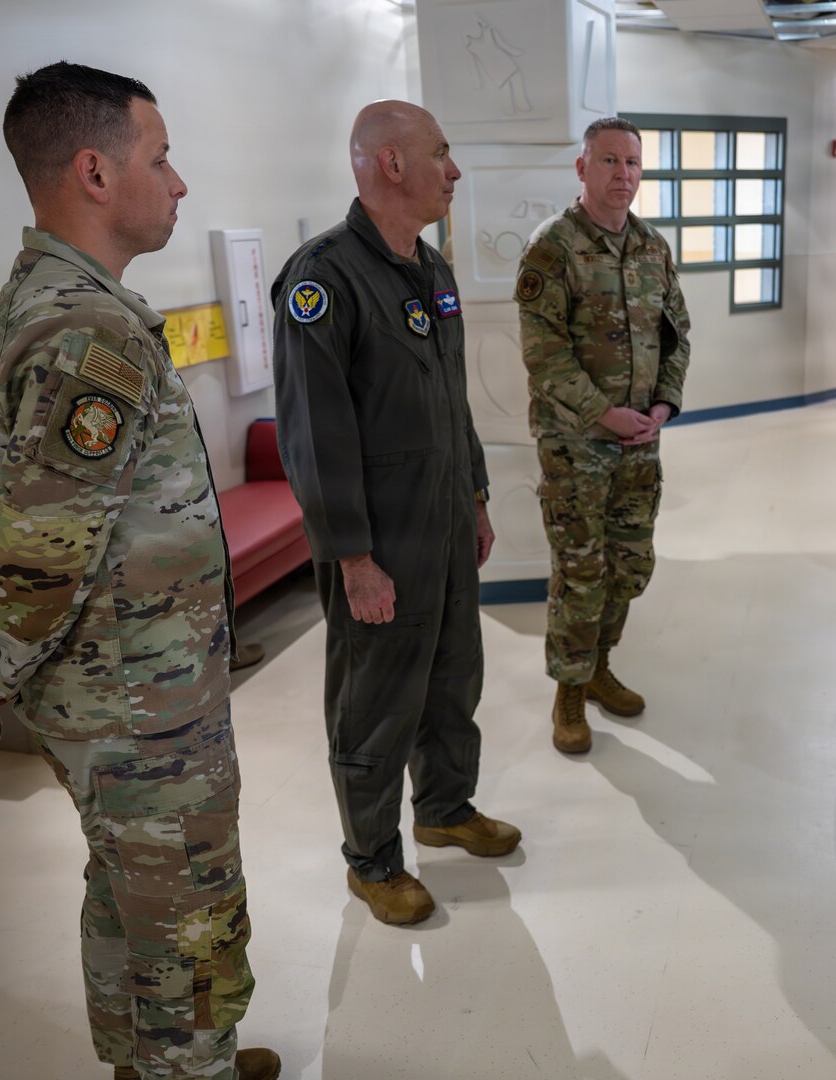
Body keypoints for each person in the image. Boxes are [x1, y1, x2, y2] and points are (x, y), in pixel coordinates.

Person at [0, 62, 277, 1080]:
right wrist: (19, 673)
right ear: (96, 172)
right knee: (186, 913)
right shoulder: (88, 330)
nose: (178, 182)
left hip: (119, 693)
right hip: (135, 705)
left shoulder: (60, 301)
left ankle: (147, 1063)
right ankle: (192, 1064)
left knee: (128, 891)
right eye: (161, 156)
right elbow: (37, 557)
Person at [271, 100, 520, 927]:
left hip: (445, 521)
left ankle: (445, 808)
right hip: (379, 540)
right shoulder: (324, 279)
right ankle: (372, 858)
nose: (455, 171)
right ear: (391, 164)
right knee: (377, 699)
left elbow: (453, 401)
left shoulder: (432, 271)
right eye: (442, 154)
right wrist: (353, 557)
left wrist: (476, 494)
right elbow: (315, 436)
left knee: (453, 678)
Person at [514, 116, 692, 755]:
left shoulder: (651, 247)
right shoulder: (552, 248)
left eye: (634, 164)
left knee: (630, 564)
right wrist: (602, 414)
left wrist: (664, 406)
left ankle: (599, 666)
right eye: (611, 161)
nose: (624, 175)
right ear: (582, 167)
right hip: (576, 446)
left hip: (642, 442)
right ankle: (569, 689)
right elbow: (544, 353)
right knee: (581, 570)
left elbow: (678, 334)